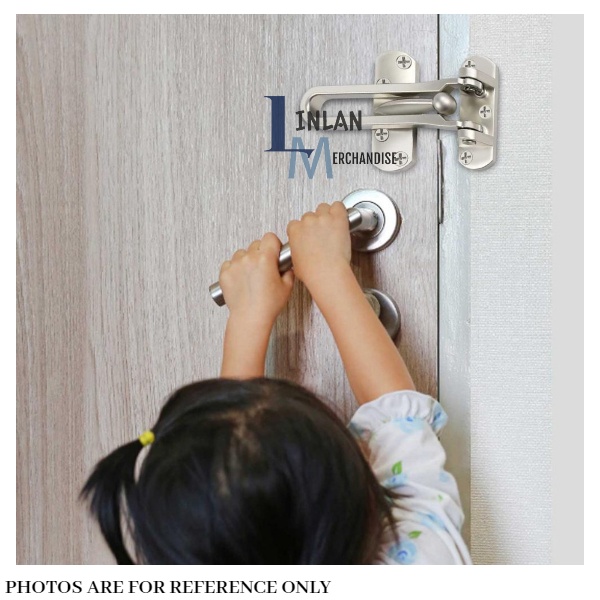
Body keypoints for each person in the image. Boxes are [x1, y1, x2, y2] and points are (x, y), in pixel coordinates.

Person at [81, 201, 471, 565]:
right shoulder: (422, 559)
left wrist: (249, 317)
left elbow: (231, 490)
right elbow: (394, 411)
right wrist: (328, 272)